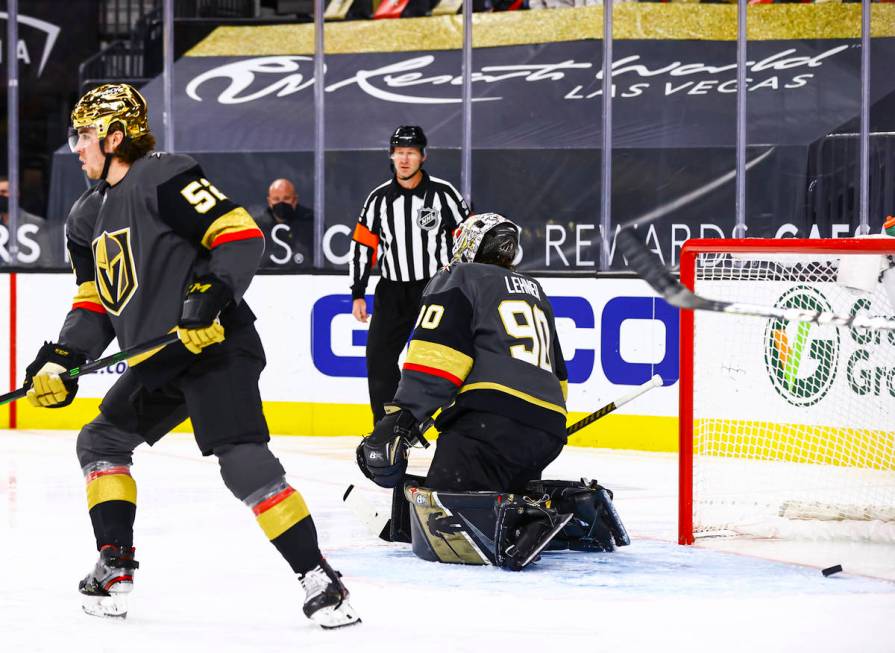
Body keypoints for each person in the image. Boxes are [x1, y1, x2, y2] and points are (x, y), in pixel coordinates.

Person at [22, 83, 359, 628]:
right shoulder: (85, 218)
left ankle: (319, 578)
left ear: (115, 137)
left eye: (84, 135)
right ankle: (115, 563)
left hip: (214, 347)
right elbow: (95, 301)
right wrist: (63, 356)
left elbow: (239, 234)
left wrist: (209, 296)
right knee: (101, 439)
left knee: (242, 461)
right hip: (157, 360)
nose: (76, 147)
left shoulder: (162, 174)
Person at [356, 213, 629, 570]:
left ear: (468, 244)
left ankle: (532, 520)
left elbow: (436, 359)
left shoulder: (459, 277)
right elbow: (559, 378)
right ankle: (564, 507)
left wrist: (402, 420)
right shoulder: (534, 290)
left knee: (442, 518)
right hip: (545, 432)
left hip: (488, 428)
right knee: (497, 491)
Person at [349, 125, 470, 425]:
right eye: (399, 153)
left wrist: (463, 279)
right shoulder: (378, 199)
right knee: (379, 360)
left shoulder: (444, 194)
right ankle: (387, 428)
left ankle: (455, 425)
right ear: (391, 156)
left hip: (436, 290)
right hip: (392, 291)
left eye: (411, 153)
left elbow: (469, 237)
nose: (404, 159)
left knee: (448, 359)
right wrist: (357, 293)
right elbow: (362, 246)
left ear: (423, 157)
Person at [257, 177, 313, 269]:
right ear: (269, 202)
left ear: (295, 200)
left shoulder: (310, 223)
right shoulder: (259, 227)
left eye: (286, 198)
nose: (281, 203)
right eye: (276, 199)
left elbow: (320, 261)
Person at [0, 174, 51, 266]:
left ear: (16, 193)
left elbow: (47, 263)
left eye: (3, 192)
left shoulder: (36, 224)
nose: (0, 196)